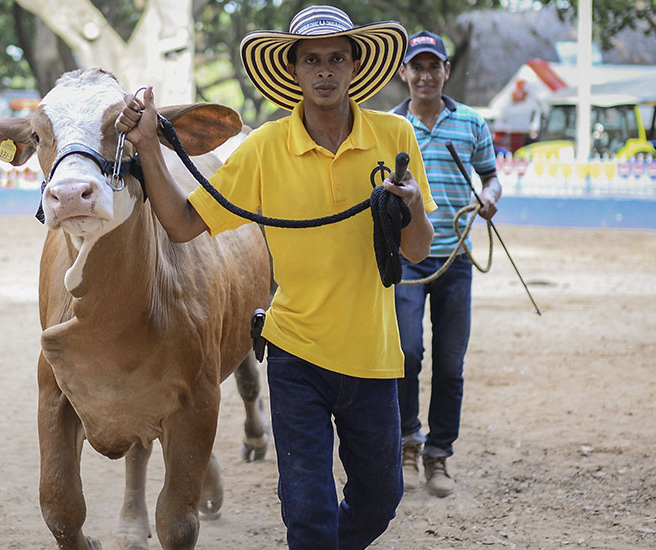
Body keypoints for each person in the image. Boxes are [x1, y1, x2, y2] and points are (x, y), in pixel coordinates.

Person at [116, 5, 436, 549]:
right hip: (295, 356)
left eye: (338, 57)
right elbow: (182, 224)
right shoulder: (265, 147)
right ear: (293, 71)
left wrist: (412, 210)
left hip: (374, 356)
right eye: (312, 60)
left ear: (356, 65)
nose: (325, 70)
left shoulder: (394, 134)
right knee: (308, 515)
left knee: (381, 500)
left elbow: (417, 250)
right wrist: (148, 145)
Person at [389, 30, 502, 498]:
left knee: (451, 364)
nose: (426, 75)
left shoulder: (472, 124)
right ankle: (408, 443)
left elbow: (492, 178)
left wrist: (488, 199)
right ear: (404, 73)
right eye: (417, 67)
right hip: (407, 259)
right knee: (407, 353)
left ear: (445, 72)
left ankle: (439, 454)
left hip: (456, 257)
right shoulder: (389, 127)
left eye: (434, 66)